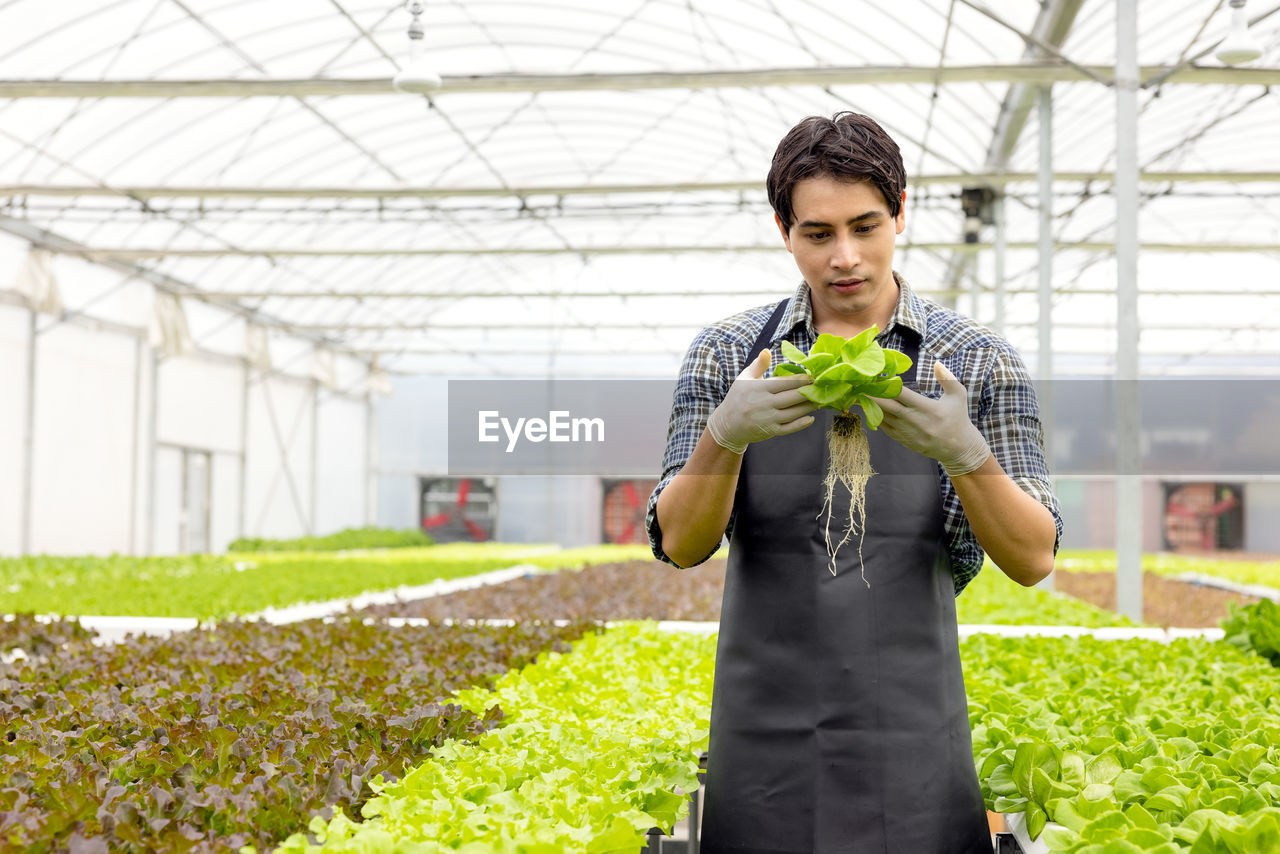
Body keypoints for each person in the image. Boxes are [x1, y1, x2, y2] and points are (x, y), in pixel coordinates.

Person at [645, 111, 1062, 854]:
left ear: (901, 213)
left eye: (866, 227)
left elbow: (1033, 559)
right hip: (763, 726)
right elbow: (681, 542)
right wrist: (724, 436)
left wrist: (969, 456)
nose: (846, 257)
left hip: (913, 729)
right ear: (784, 229)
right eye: (818, 234)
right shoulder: (731, 355)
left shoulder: (974, 360)